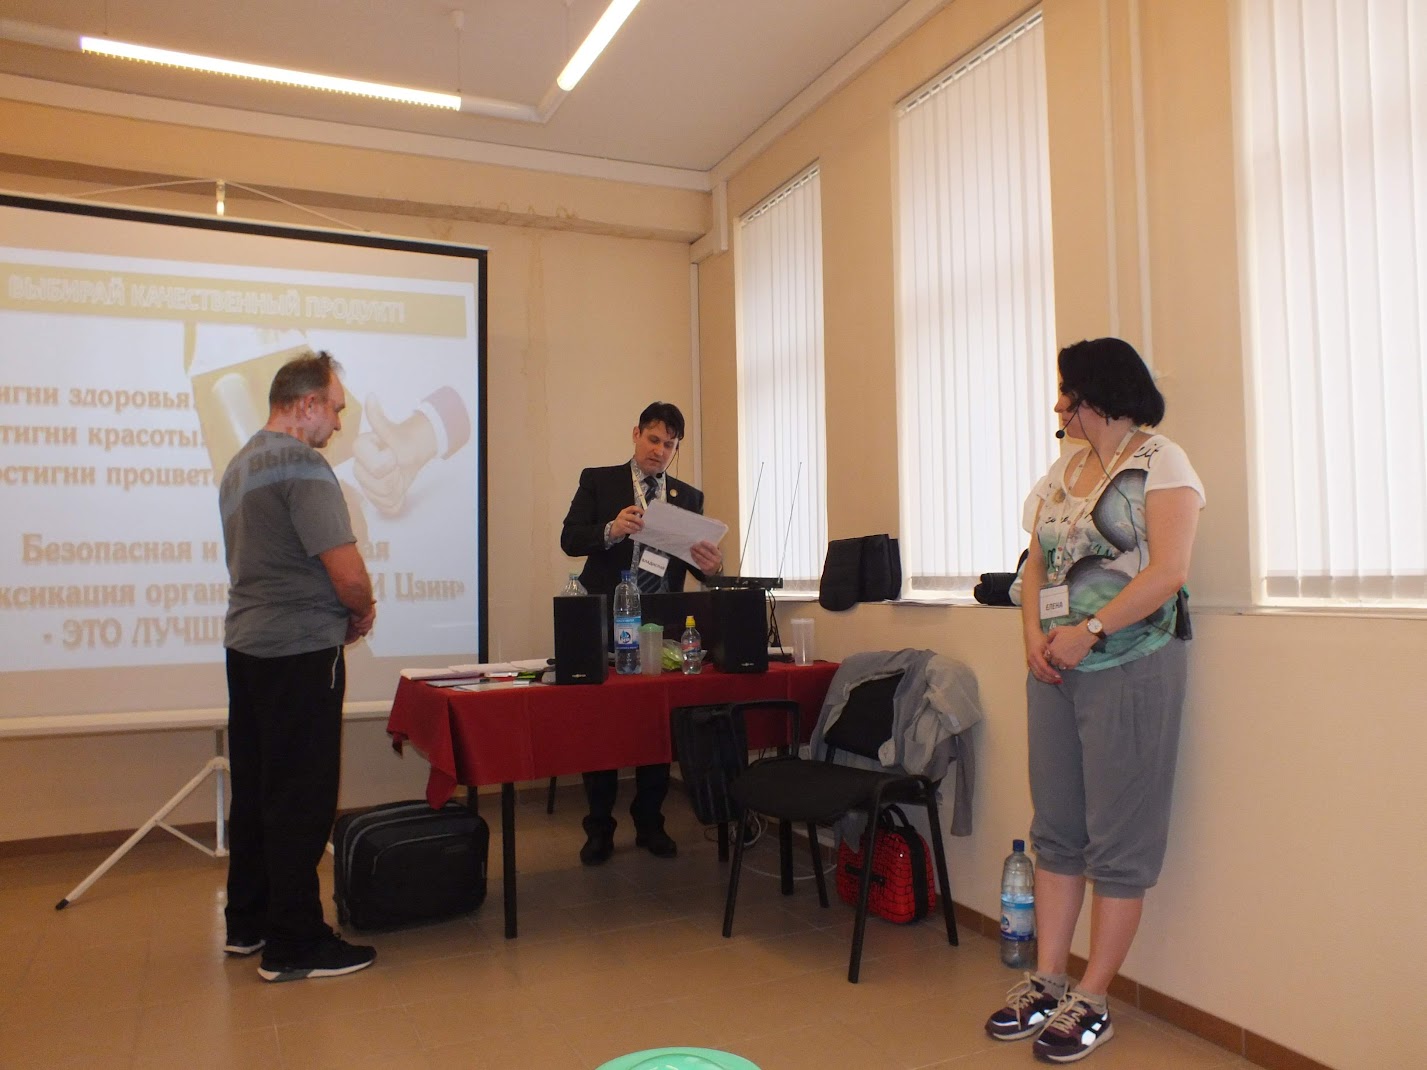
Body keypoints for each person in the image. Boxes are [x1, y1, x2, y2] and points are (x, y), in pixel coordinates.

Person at [984, 338, 1205, 1063]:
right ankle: (1047, 980)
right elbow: (1036, 566)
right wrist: (1033, 638)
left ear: (1099, 395)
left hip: (1131, 666)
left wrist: (1090, 631)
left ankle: (1094, 997)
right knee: (1056, 830)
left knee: (1118, 839)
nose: (1058, 406)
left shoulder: (1161, 462)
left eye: (1067, 393)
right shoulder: (1063, 471)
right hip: (1054, 669)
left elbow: (1168, 571)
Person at [219, 350, 378, 983]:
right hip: (299, 652)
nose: (337, 424)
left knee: (258, 791)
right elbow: (347, 572)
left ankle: (248, 924)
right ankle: (294, 944)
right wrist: (361, 611)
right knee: (301, 798)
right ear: (306, 403)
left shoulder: (238, 465)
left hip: (246, 649)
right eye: (334, 409)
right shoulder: (304, 466)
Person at [559, 401, 724, 865]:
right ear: (636, 434)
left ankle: (650, 821)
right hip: (604, 618)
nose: (660, 451)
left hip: (660, 623)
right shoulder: (599, 480)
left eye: (669, 445)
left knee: (656, 724)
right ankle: (599, 827)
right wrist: (610, 530)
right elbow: (569, 538)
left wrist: (714, 567)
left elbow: (698, 567)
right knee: (603, 726)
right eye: (653, 440)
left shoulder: (687, 498)